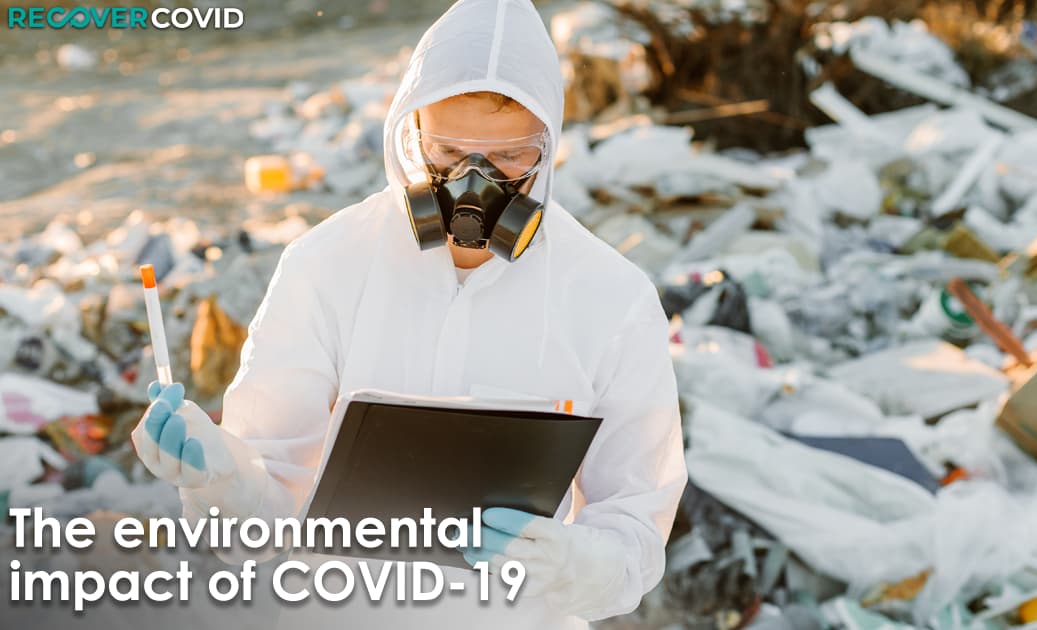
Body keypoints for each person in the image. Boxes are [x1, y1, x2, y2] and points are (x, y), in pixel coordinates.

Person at [129, 0, 687, 628]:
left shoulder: (612, 298)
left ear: (548, 148)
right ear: (409, 131)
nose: (473, 180)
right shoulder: (327, 264)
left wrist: (573, 564)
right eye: (448, 150)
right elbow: (263, 523)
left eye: (509, 157)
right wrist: (218, 474)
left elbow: (637, 533)